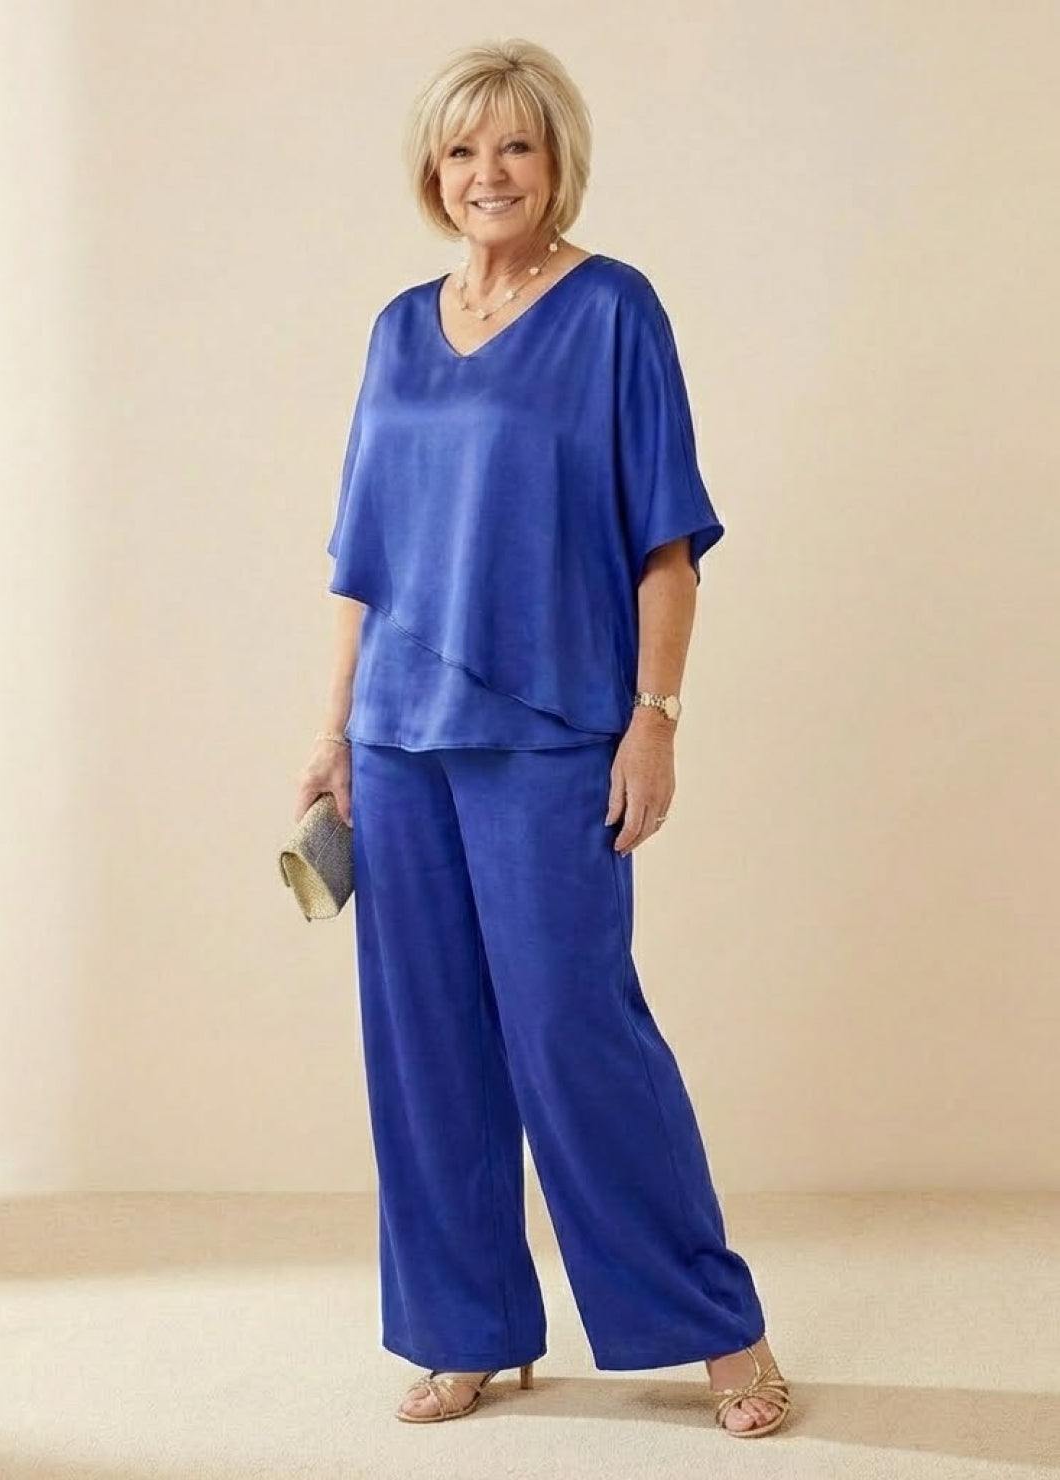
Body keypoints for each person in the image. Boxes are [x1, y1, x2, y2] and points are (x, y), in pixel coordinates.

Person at [294, 36, 792, 1440]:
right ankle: (464, 1330)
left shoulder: (614, 309)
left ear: (556, 158)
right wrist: (332, 734)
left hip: (554, 732)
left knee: (577, 1033)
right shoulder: (399, 328)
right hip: (400, 739)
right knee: (425, 1048)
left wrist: (655, 720)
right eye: (462, 149)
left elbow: (666, 547)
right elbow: (361, 562)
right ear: (431, 169)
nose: (488, 172)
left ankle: (719, 1329)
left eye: (514, 144)